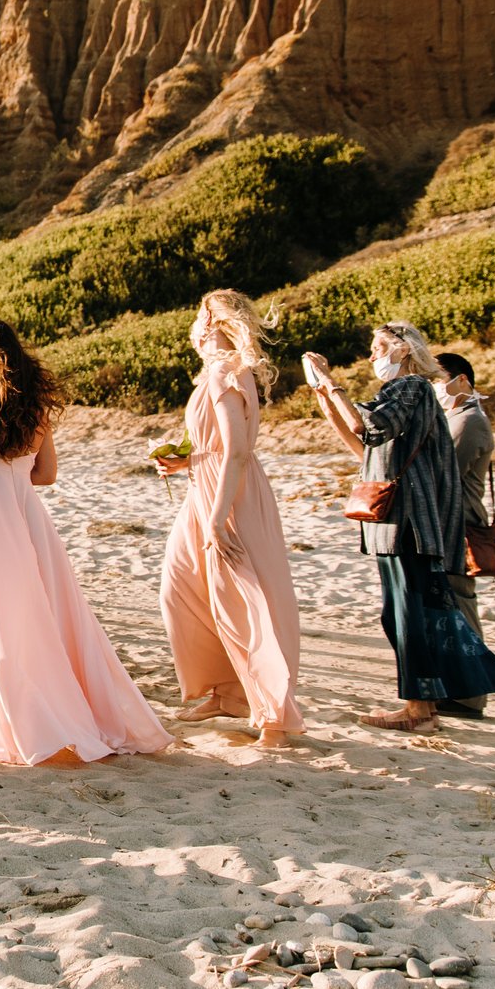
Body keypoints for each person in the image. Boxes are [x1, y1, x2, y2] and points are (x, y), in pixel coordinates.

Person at [0, 318, 170, 764]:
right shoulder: (35, 410)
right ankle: (71, 710)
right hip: (29, 516)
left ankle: (19, 722)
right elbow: (46, 474)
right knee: (47, 611)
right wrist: (11, 471)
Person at [304, 322, 495, 733]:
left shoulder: (410, 389)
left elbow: (367, 427)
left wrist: (332, 383)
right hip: (402, 524)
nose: (372, 356)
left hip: (408, 525)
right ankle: (427, 703)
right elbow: (366, 444)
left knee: (410, 614)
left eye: (380, 347)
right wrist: (325, 396)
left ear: (404, 351)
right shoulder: (406, 394)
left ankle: (422, 708)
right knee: (403, 614)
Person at [155, 290, 303, 749]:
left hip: (228, 495)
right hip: (205, 484)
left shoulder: (224, 371)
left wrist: (219, 519)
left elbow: (238, 450)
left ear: (214, 323)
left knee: (244, 599)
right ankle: (226, 692)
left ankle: (275, 719)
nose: (194, 330)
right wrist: (188, 461)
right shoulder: (221, 372)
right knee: (183, 586)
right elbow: (220, 446)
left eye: (199, 320)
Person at [434, 350, 495, 718]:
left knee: (461, 604)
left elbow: (448, 475)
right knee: (452, 603)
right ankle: (458, 690)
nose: (434, 386)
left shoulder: (469, 421)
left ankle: (470, 695)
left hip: (460, 524)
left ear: (462, 380)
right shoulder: (458, 416)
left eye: (438, 378)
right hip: (452, 521)